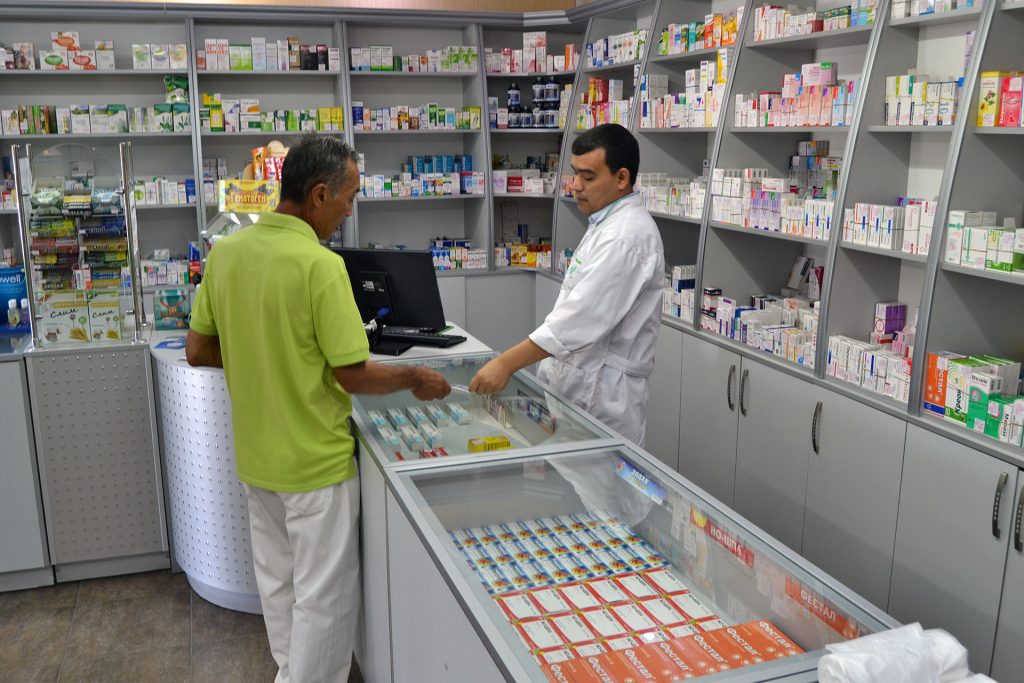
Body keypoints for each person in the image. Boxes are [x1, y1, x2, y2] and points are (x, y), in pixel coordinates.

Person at [185, 134, 450, 683]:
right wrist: (415, 377)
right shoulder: (320, 265)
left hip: (257, 461)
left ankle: (288, 672)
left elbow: (198, 350)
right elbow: (352, 374)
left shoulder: (226, 254)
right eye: (348, 198)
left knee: (279, 587)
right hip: (315, 467)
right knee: (323, 604)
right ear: (320, 194)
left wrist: (263, 354)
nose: (349, 211)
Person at [469, 123, 664, 445]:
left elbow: (578, 321)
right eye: (574, 173)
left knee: (599, 477)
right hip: (581, 391)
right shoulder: (607, 223)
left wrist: (505, 364)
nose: (574, 186)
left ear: (621, 178)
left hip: (602, 398)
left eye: (588, 177)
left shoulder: (625, 237)